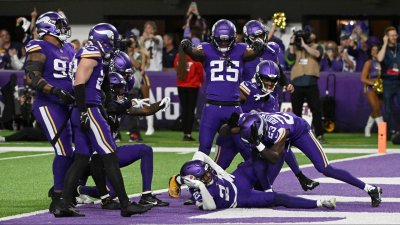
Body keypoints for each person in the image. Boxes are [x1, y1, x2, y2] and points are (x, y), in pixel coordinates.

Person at [53, 23, 149, 217]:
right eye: (112, 41)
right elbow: (79, 80)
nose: (114, 44)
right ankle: (125, 204)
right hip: (88, 108)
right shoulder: (92, 53)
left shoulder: (95, 55)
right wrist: (84, 111)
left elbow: (95, 83)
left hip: (86, 107)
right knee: (110, 155)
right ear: (104, 40)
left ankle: (63, 203)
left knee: (81, 158)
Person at [235, 111, 382, 207]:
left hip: (299, 131)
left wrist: (258, 144)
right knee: (259, 165)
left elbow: (274, 157)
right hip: (277, 135)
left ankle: (370, 188)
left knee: (324, 168)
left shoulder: (278, 131)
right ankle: (268, 190)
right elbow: (238, 125)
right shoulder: (249, 119)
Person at [77, 71, 170, 207]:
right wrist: (126, 104)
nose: (123, 91)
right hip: (96, 157)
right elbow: (112, 111)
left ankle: (147, 195)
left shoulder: (118, 103)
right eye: (119, 88)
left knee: (145, 150)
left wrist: (160, 105)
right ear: (111, 88)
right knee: (112, 193)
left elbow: (145, 110)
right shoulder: (99, 104)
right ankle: (78, 189)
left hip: (111, 153)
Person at [179, 19, 264, 156]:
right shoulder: (206, 48)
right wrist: (188, 48)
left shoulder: (241, 49)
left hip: (234, 107)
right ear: (213, 38)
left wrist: (259, 46)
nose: (223, 44)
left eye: (226, 40)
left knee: (245, 146)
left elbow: (253, 53)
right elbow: (196, 54)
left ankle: (254, 175)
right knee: (204, 147)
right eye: (220, 40)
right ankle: (199, 176)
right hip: (212, 106)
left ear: (233, 38)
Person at [24, 11, 75, 214]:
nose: (64, 28)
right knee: (63, 150)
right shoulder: (40, 46)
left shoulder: (69, 48)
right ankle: (58, 197)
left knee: (77, 152)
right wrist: (54, 90)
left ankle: (68, 190)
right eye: (60, 25)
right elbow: (31, 77)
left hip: (68, 104)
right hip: (48, 104)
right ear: (49, 27)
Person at [179, 151, 336, 210]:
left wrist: (219, 170)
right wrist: (201, 186)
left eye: (208, 173)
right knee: (276, 198)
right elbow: (210, 206)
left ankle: (293, 164)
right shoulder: (199, 194)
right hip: (240, 197)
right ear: (195, 181)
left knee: (262, 158)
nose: (209, 176)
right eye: (205, 177)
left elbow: (199, 154)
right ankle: (320, 203)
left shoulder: (199, 173)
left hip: (235, 179)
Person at [287, 27, 326, 143]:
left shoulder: (317, 46)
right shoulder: (296, 48)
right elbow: (289, 58)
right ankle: (296, 136)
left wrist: (304, 45)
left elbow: (317, 54)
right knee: (296, 111)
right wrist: (292, 42)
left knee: (316, 109)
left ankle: (319, 134)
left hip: (311, 83)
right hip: (296, 83)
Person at [174, 46, 204, 141]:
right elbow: (200, 72)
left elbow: (176, 68)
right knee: (190, 111)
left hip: (181, 86)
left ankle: (185, 133)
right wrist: (201, 83)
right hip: (192, 87)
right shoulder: (194, 57)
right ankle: (188, 134)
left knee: (184, 110)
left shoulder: (178, 57)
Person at [377, 26, 400, 138]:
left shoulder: (399, 47)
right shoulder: (383, 49)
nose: (394, 37)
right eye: (391, 35)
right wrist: (385, 44)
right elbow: (379, 59)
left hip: (399, 81)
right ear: (386, 37)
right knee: (388, 108)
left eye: (395, 35)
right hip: (388, 81)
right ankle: (391, 131)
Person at [361, 44, 384, 137]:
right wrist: (374, 83)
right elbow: (363, 78)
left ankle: (367, 127)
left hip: (381, 88)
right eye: (373, 50)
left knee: (377, 109)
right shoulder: (369, 63)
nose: (374, 52)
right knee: (376, 108)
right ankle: (382, 131)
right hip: (371, 88)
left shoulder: (383, 62)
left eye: (376, 50)